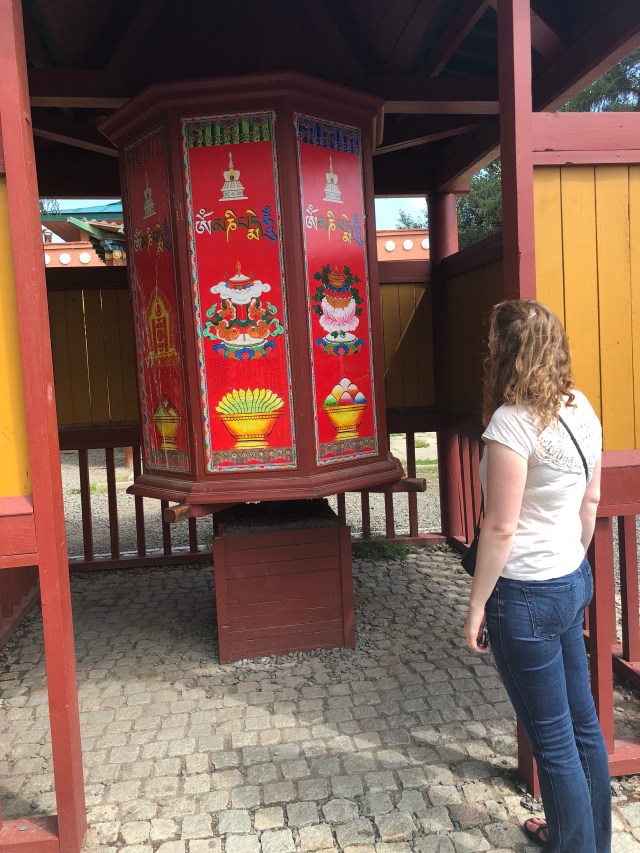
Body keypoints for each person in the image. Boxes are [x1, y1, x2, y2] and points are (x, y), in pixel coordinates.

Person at [463, 299, 611, 852]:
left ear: (505, 351)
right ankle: (589, 840)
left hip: (524, 591)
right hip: (571, 577)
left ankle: (575, 845)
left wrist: (476, 605)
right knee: (584, 727)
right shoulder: (581, 406)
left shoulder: (511, 423)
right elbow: (590, 501)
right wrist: (569, 563)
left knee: (552, 741)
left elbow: (500, 527)